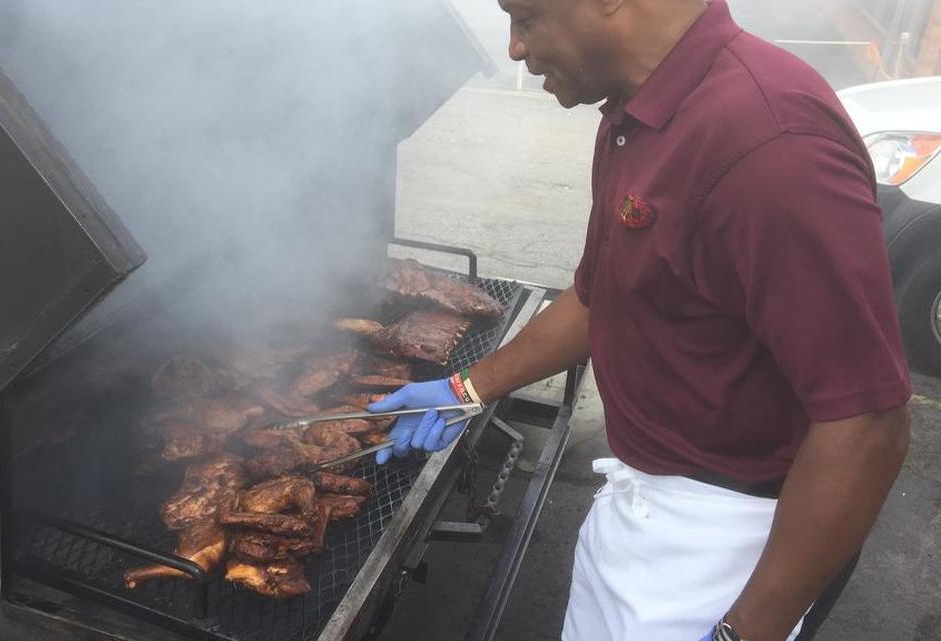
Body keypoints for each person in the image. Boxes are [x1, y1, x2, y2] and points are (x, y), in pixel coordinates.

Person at [370, 0, 913, 639]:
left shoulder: (771, 141)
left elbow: (867, 423)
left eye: (529, 17)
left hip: (724, 542)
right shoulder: (635, 112)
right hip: (639, 504)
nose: (514, 48)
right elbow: (603, 297)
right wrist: (466, 388)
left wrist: (747, 629)